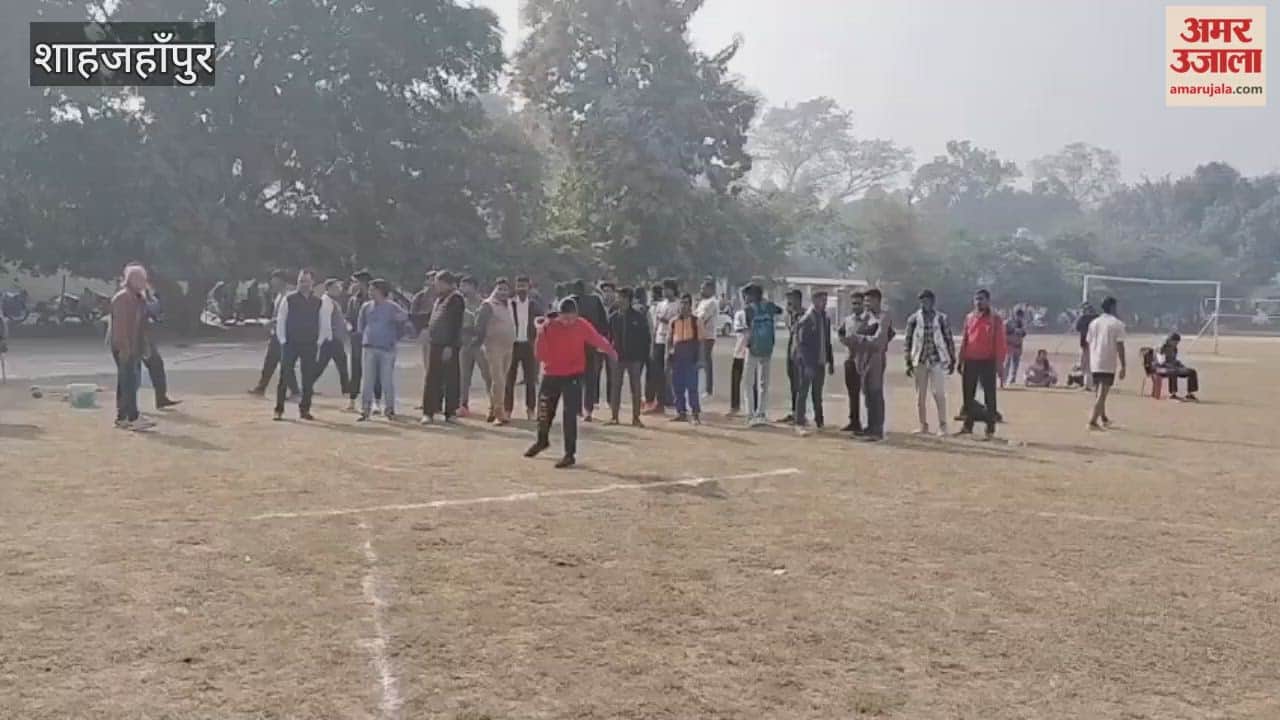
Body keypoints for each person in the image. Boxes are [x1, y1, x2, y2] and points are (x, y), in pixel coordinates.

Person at [525, 298, 618, 469]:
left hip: (573, 374)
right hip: (552, 374)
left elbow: (596, 339)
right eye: (565, 318)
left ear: (577, 315)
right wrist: (540, 333)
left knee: (569, 415)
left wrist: (611, 352)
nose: (568, 322)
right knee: (544, 410)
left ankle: (569, 454)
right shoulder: (548, 327)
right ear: (558, 315)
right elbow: (541, 356)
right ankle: (542, 440)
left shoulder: (582, 325)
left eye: (572, 318)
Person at [273, 269, 332, 421]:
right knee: (285, 376)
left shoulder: (318, 302)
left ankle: (305, 409)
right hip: (290, 343)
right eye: (300, 281)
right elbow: (281, 320)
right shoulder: (289, 299)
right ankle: (279, 409)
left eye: (306, 281)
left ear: (312, 282)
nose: (303, 284)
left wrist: (319, 341)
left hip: (310, 344)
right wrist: (283, 340)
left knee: (308, 378)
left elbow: (323, 322)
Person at [904, 289, 956, 436]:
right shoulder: (914, 319)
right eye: (922, 301)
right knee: (920, 396)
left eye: (927, 300)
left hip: (936, 359)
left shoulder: (941, 318)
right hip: (919, 359)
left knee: (938, 393)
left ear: (932, 302)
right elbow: (908, 341)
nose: (924, 304)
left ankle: (943, 425)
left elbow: (948, 338)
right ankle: (923, 425)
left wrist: (952, 359)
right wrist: (907, 360)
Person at [109, 264, 154, 431]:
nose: (144, 282)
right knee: (129, 382)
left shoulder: (138, 298)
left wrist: (144, 346)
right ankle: (132, 417)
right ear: (132, 280)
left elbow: (146, 321)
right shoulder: (123, 298)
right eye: (141, 279)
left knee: (128, 381)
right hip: (124, 345)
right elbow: (120, 327)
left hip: (134, 345)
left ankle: (123, 417)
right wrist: (124, 348)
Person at [957, 288, 1007, 440]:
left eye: (982, 299)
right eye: (976, 299)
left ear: (988, 301)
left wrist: (999, 364)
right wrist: (960, 360)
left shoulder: (995, 319)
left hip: (987, 361)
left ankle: (990, 428)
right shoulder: (969, 317)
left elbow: (1000, 343)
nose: (979, 302)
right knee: (968, 394)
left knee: (989, 395)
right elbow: (965, 340)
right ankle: (967, 425)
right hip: (970, 360)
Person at [355, 279, 408, 421]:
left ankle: (389, 409)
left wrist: (395, 332)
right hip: (369, 347)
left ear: (380, 291)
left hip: (387, 349)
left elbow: (404, 319)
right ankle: (365, 409)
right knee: (367, 380)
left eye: (373, 289)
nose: (370, 292)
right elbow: (361, 326)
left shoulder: (392, 307)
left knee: (386, 380)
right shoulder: (366, 307)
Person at [844, 289, 892, 442]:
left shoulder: (883, 317)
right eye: (865, 301)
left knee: (875, 392)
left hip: (876, 358)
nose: (866, 304)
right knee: (867, 393)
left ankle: (877, 429)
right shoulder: (867, 317)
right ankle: (870, 426)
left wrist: (858, 339)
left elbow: (879, 341)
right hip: (863, 358)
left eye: (869, 301)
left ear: (877, 300)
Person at [421, 271, 465, 424]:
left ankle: (450, 412)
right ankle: (429, 411)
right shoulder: (439, 299)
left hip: (448, 345)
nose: (435, 286)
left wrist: (450, 346)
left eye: (438, 283)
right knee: (432, 378)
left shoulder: (456, 299)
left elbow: (455, 324)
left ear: (447, 283)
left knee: (451, 379)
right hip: (435, 344)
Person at [791, 289, 835, 435]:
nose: (824, 303)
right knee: (803, 391)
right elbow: (801, 344)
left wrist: (830, 361)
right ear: (814, 301)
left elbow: (827, 342)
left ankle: (819, 421)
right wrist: (808, 365)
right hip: (807, 363)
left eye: (826, 301)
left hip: (820, 361)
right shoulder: (807, 319)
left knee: (818, 393)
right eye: (822, 300)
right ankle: (799, 421)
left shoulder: (825, 318)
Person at [248, 270, 299, 397]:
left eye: (274, 280)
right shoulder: (278, 295)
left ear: (281, 280)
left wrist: (272, 322)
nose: (272, 283)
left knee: (284, 363)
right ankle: (262, 387)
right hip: (276, 333)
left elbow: (289, 315)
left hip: (286, 334)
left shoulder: (290, 295)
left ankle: (295, 390)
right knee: (271, 361)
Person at [474, 278, 517, 424]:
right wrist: (479, 343)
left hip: (508, 347)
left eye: (505, 289)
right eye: (500, 289)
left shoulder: (510, 305)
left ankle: (493, 408)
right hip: (493, 347)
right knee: (498, 380)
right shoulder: (488, 305)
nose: (503, 292)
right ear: (495, 289)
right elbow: (479, 326)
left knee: (501, 380)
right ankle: (500, 414)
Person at [607, 286, 651, 426]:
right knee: (616, 387)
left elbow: (646, 338)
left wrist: (643, 357)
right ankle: (614, 417)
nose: (619, 299)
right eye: (618, 297)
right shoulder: (613, 317)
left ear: (628, 299)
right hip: (618, 357)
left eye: (621, 297)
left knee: (636, 389)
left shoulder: (638, 317)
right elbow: (608, 338)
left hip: (635, 358)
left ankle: (636, 418)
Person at [742, 284, 783, 427]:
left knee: (748, 382)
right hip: (767, 349)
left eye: (747, 295)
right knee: (764, 383)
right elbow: (780, 310)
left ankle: (750, 414)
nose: (745, 298)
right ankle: (762, 412)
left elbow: (748, 328)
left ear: (752, 295)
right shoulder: (769, 306)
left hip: (753, 348)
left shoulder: (748, 310)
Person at [571, 279, 610, 421]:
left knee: (579, 378)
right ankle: (586, 409)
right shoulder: (594, 301)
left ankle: (581, 409)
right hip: (587, 345)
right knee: (588, 378)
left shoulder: (571, 302)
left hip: (578, 346)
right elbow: (604, 324)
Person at [505, 275, 543, 420]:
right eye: (519, 286)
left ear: (529, 287)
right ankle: (507, 410)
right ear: (515, 287)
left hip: (529, 345)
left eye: (524, 286)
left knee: (530, 380)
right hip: (512, 345)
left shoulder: (534, 305)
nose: (521, 289)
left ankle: (531, 410)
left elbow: (542, 323)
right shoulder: (509, 304)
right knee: (510, 380)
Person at [1086, 296, 1127, 430]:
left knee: (1099, 392)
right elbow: (1120, 345)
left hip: (1095, 360)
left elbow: (1089, 342)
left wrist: (1087, 360)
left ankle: (1103, 417)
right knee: (1102, 394)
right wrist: (1123, 365)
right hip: (1107, 361)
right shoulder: (1117, 324)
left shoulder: (1094, 323)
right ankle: (1092, 421)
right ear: (1112, 307)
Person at [141, 284, 181, 410]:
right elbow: (153, 309)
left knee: (157, 366)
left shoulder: (143, 294)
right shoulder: (133, 295)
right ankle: (127, 407)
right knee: (132, 373)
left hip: (144, 336)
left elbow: (154, 312)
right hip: (138, 337)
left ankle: (161, 398)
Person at [457, 275, 491, 418]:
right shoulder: (460, 304)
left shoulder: (484, 304)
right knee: (463, 377)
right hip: (464, 343)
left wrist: (479, 338)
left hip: (480, 344)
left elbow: (486, 325)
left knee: (487, 375)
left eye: (465, 286)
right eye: (461, 286)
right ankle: (463, 405)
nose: (462, 289)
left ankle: (494, 404)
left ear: (474, 287)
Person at [346, 270, 379, 411]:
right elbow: (349, 317)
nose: (354, 285)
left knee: (374, 371)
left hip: (372, 340)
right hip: (357, 339)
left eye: (356, 282)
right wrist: (349, 327)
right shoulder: (353, 300)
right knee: (356, 370)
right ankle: (352, 400)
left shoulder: (375, 301)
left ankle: (376, 401)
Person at [314, 279, 352, 403]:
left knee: (325, 364)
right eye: (336, 287)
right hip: (331, 339)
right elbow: (325, 321)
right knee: (338, 363)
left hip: (333, 338)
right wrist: (329, 338)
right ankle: (346, 389)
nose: (339, 289)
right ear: (329, 288)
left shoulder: (332, 301)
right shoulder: (327, 301)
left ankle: (346, 388)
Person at [667, 294, 703, 424]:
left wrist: (700, 359)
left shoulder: (696, 321)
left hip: (691, 356)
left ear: (690, 305)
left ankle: (695, 413)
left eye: (686, 303)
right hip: (677, 356)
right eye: (681, 303)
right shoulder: (674, 321)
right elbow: (669, 340)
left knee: (692, 386)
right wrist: (668, 355)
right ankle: (680, 412)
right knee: (677, 386)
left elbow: (700, 342)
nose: (683, 306)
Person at [645, 279, 679, 413]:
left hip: (672, 340)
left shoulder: (678, 305)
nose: (665, 292)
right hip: (659, 339)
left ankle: (674, 400)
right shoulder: (660, 305)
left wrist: (667, 321)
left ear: (673, 289)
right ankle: (659, 403)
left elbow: (677, 322)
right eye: (664, 289)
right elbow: (656, 324)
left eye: (667, 289)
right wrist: (653, 341)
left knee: (669, 373)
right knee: (657, 373)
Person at [837, 291, 866, 433]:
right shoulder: (848, 320)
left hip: (865, 361)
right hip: (850, 360)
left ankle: (872, 423)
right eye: (853, 303)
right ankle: (854, 421)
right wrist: (845, 341)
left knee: (868, 393)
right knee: (852, 392)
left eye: (858, 303)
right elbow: (840, 332)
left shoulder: (870, 320)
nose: (855, 306)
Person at [778, 289, 804, 424]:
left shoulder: (804, 315)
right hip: (791, 350)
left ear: (798, 299)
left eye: (791, 299)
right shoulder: (790, 315)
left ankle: (801, 414)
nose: (789, 302)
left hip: (801, 353)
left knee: (800, 385)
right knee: (793, 383)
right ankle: (794, 411)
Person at [695, 278, 720, 398]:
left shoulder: (712, 302)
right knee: (700, 361)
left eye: (703, 288)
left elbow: (702, 318)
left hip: (707, 335)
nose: (701, 290)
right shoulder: (701, 302)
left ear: (710, 289)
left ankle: (708, 389)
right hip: (700, 335)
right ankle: (702, 386)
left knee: (706, 361)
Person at [728, 290, 751, 417]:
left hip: (753, 352)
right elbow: (738, 329)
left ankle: (753, 408)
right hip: (739, 350)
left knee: (752, 382)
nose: (747, 299)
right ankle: (734, 406)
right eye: (745, 297)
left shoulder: (757, 314)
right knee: (736, 380)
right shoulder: (740, 314)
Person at [1158, 332, 1199, 401]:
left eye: (1177, 342)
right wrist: (1171, 365)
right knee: (1173, 371)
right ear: (1170, 340)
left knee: (1191, 371)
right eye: (1175, 342)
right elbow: (1161, 362)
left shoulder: (1175, 349)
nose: (1176, 344)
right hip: (1161, 368)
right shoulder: (1162, 348)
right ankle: (1173, 395)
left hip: (1173, 367)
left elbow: (1174, 360)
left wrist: (1179, 364)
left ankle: (1189, 394)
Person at [1075, 302, 1099, 391]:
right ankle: (1091, 383)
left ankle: (1088, 384)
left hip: (1087, 344)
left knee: (1087, 365)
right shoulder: (1097, 318)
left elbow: (1077, 327)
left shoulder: (1085, 318)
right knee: (1090, 364)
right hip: (1095, 344)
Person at [1003, 307, 1028, 387]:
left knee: (1016, 363)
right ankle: (1004, 379)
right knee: (1007, 362)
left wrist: (1021, 331)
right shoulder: (1008, 322)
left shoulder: (1022, 323)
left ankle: (1013, 379)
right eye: (1018, 315)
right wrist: (1014, 331)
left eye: (1021, 315)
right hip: (1009, 344)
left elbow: (1024, 333)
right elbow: (1003, 333)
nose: (1019, 317)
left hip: (1018, 345)